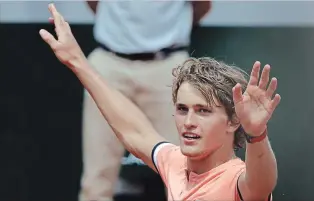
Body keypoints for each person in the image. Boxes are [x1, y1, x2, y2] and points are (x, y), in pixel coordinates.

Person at [40, 4, 280, 201]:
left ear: (232, 121)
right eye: (182, 109)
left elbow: (261, 184)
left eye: (203, 111)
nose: (188, 122)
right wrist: (77, 61)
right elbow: (133, 129)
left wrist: (257, 135)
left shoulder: (237, 180)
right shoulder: (173, 162)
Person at [80, 1, 211, 200]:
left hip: (168, 66)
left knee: (185, 173)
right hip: (110, 63)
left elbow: (202, 5)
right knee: (97, 177)